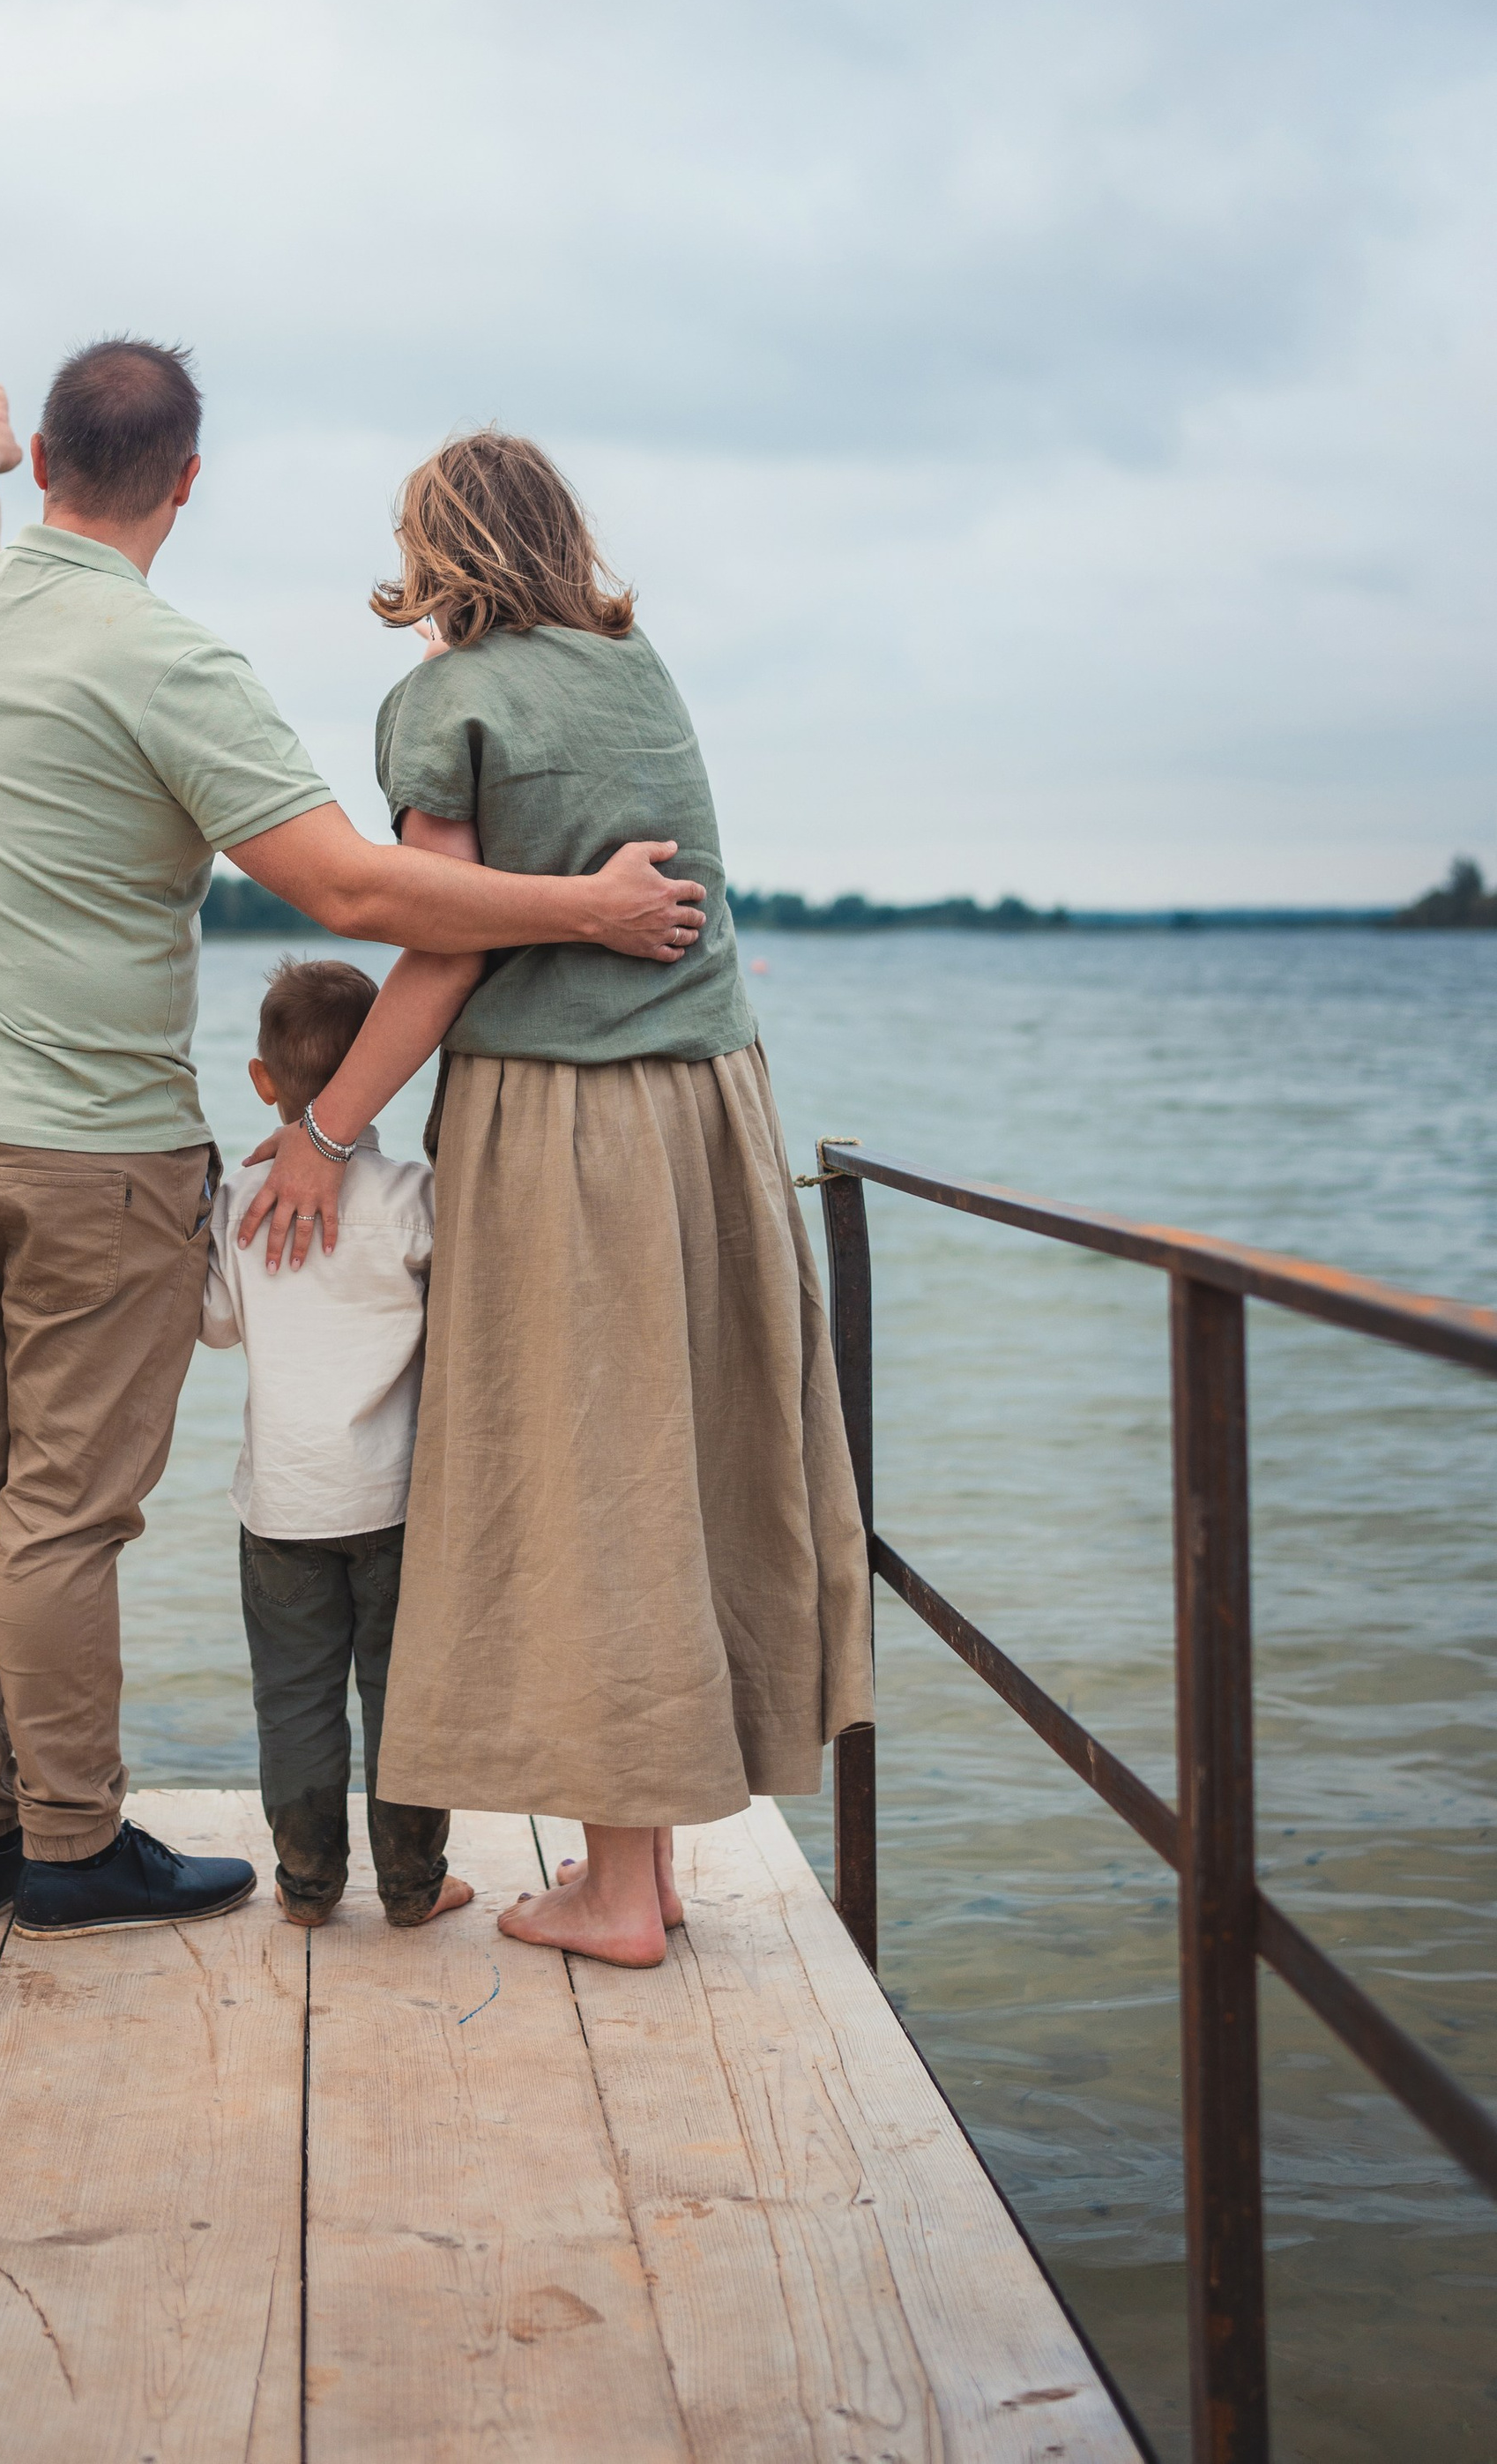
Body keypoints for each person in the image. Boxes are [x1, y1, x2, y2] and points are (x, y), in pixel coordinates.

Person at [0, 343, 711, 1941]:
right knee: (59, 1509)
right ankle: (64, 1849)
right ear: (188, 482)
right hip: (80, 1150)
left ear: (45, 463)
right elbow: (363, 898)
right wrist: (586, 908)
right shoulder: (171, 662)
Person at [241, 428, 874, 1967]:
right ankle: (642, 1869)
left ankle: (613, 1894)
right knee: (679, 1464)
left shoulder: (443, 701)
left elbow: (441, 940)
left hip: (567, 1121)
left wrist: (328, 1125)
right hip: (713, 1103)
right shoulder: (634, 664)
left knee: (594, 1478)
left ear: (432, 548)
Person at [198, 958, 470, 1932]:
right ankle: (413, 1887)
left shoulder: (237, 1199)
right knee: (403, 1702)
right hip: (396, 1502)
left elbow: (218, 1328)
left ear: (262, 1081)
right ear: (388, 1071)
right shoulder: (412, 1197)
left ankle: (308, 1888)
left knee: (294, 1700)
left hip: (279, 1504)